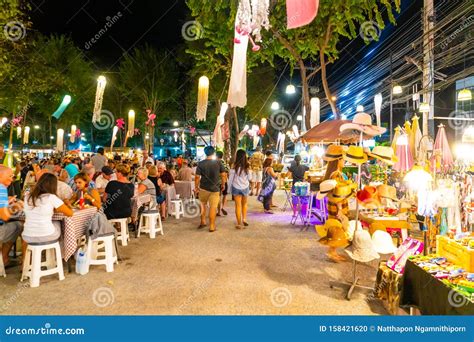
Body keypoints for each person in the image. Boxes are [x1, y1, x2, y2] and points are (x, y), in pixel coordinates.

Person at [22, 173, 73, 247]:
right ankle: (61, 252)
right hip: (46, 235)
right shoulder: (51, 197)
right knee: (58, 222)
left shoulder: (28, 197)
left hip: (27, 236)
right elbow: (70, 213)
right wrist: (68, 204)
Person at [194, 146, 226, 232]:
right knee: (213, 207)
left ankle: (203, 221)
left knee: (203, 205)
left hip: (203, 188)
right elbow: (223, 175)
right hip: (215, 189)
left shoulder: (201, 163)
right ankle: (212, 226)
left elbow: (197, 177)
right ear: (214, 153)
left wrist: (196, 187)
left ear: (205, 153)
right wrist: (223, 184)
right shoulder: (219, 163)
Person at [0, 166, 23, 268]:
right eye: (9, 176)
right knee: (19, 225)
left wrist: (6, 201)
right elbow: (4, 216)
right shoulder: (1, 188)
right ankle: (4, 258)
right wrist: (18, 205)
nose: (11, 178)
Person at [228, 149, 251, 229]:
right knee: (244, 204)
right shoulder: (247, 165)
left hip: (236, 187)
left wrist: (228, 189)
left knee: (237, 205)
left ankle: (239, 223)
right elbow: (250, 178)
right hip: (245, 187)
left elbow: (231, 178)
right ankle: (244, 219)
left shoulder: (234, 165)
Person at [216, 150, 229, 216]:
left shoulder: (215, 163)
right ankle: (223, 207)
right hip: (225, 181)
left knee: (218, 196)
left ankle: (218, 211)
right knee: (224, 195)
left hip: (217, 182)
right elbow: (227, 173)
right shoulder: (225, 163)